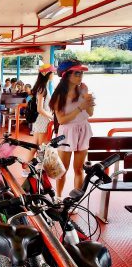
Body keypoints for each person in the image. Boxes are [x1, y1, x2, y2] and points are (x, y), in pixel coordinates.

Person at [49, 59, 95, 198]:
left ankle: (76, 200)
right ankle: (58, 197)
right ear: (66, 75)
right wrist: (80, 107)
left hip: (83, 129)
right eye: (77, 73)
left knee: (79, 169)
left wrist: (88, 101)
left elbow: (90, 114)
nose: (80, 76)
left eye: (81, 73)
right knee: (63, 169)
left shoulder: (84, 90)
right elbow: (62, 120)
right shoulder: (58, 96)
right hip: (67, 132)